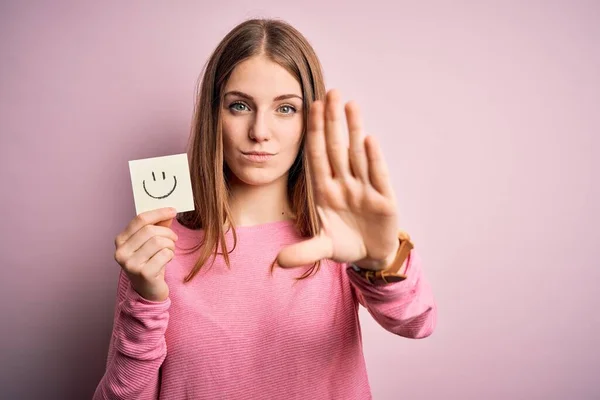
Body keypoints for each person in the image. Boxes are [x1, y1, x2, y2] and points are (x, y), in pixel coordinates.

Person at [93, 17, 437, 400]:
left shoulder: (337, 236)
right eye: (239, 106)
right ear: (214, 116)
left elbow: (417, 323)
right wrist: (145, 301)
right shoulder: (159, 247)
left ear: (310, 119)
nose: (260, 131)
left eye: (285, 109)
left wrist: (381, 261)